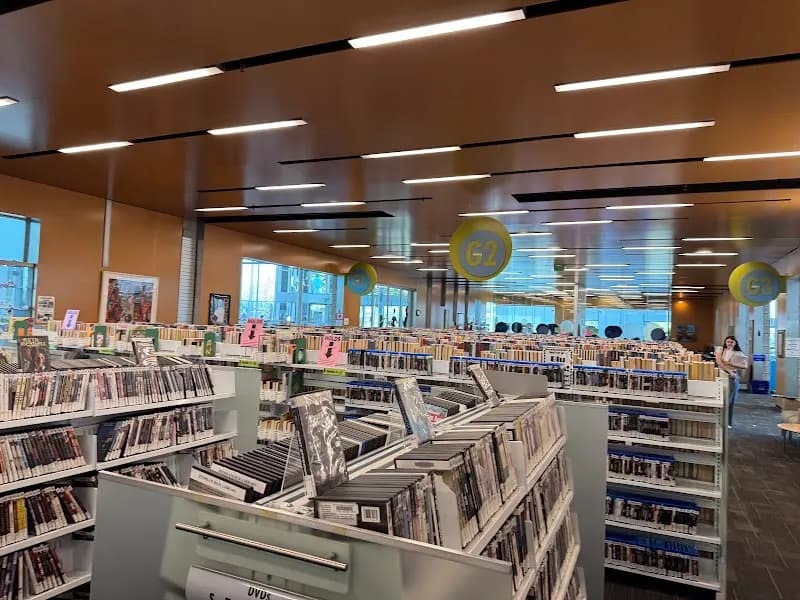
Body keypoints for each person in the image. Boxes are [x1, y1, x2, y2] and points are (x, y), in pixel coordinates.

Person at [716, 336, 748, 427]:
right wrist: (729, 370)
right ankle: (720, 420)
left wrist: (732, 366)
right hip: (723, 373)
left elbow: (744, 365)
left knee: (730, 399)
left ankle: (728, 422)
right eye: (728, 342)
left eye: (731, 342)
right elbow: (719, 362)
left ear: (735, 343)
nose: (729, 343)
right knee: (722, 398)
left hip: (733, 376)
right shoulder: (721, 349)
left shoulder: (738, 353)